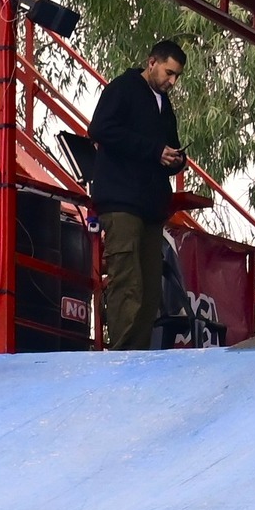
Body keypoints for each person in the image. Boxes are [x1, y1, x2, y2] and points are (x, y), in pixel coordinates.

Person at [89, 39, 186, 351]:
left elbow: (168, 146)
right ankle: (121, 355)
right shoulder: (123, 88)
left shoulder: (164, 105)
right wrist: (154, 150)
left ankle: (138, 354)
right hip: (121, 201)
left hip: (151, 206)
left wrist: (175, 159)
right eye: (169, 73)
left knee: (149, 289)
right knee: (127, 281)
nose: (172, 82)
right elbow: (100, 128)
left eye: (177, 76)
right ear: (152, 62)